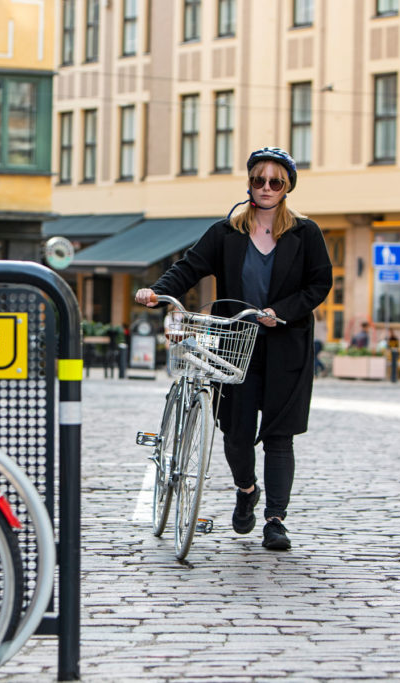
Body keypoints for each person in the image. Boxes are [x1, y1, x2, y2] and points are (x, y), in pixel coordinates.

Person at [134, 147, 332, 551]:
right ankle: (246, 489)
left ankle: (275, 521)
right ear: (249, 182)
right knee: (236, 433)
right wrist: (158, 292)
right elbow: (189, 267)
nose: (266, 187)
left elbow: (319, 284)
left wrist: (283, 311)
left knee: (280, 436)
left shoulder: (305, 233)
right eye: (259, 179)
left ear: (287, 187)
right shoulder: (227, 231)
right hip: (236, 345)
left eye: (275, 181)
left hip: (286, 348)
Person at [313, 309, 327, 377]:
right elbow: (325, 332)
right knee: (315, 357)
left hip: (315, 341)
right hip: (321, 342)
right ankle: (319, 370)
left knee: (314, 357)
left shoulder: (315, 322)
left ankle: (319, 370)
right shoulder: (323, 322)